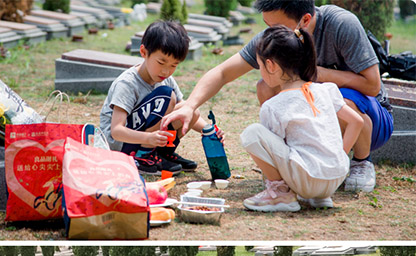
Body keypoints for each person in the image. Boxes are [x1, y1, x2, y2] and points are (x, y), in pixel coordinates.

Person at [162, 0, 393, 192]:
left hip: (371, 119)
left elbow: (372, 85)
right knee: (266, 87)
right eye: (267, 25)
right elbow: (223, 72)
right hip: (323, 124)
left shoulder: (341, 24)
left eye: (277, 26)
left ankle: (361, 163)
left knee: (340, 98)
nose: (270, 32)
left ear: (305, 20)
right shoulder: (277, 37)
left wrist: (320, 75)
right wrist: (189, 106)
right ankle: (293, 161)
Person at [240, 26, 363, 212]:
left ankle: (281, 194)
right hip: (336, 176)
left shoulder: (273, 106)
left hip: (305, 178)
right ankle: (320, 197)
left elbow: (276, 151)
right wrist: (338, 156)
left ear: (271, 65)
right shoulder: (326, 90)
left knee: (252, 134)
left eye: (260, 65)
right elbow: (357, 122)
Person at [100, 20, 223, 177]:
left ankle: (161, 154)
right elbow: (116, 131)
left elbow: (184, 110)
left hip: (145, 138)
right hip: (120, 145)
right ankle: (143, 157)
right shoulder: (127, 83)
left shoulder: (165, 79)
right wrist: (148, 138)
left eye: (173, 65)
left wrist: (209, 131)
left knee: (192, 111)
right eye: (161, 62)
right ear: (143, 52)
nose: (166, 71)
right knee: (167, 95)